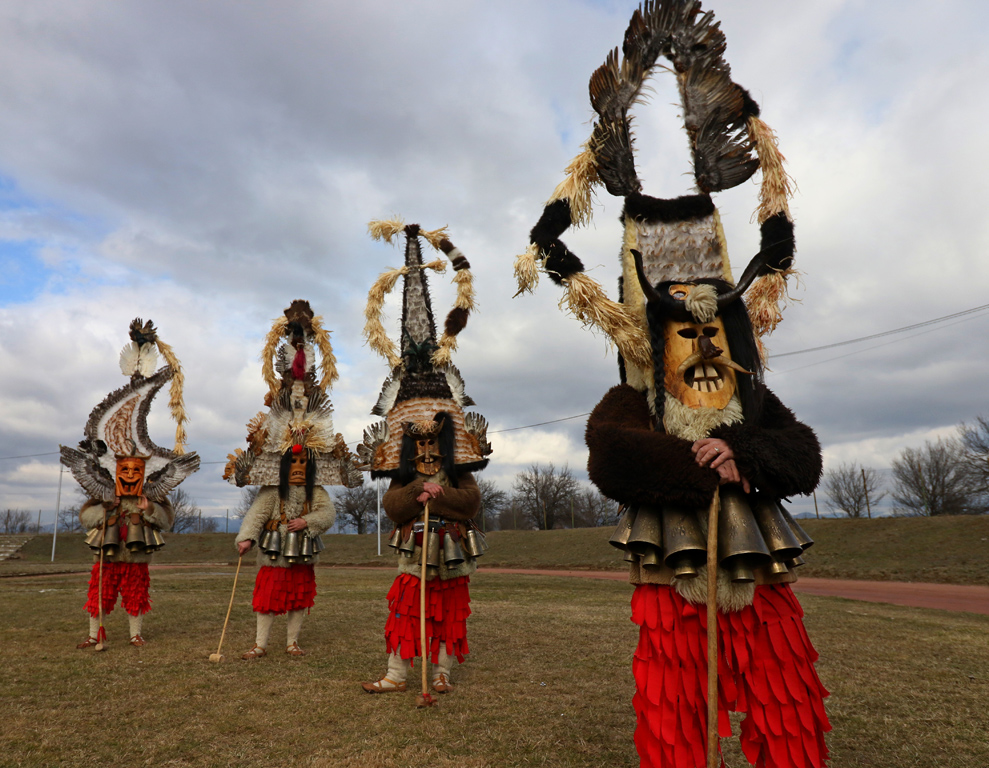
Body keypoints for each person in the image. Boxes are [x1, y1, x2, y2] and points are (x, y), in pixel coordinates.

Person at [517, 2, 830, 764]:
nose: (701, 344)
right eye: (685, 333)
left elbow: (803, 455)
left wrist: (744, 453)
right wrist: (692, 461)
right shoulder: (636, 394)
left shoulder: (750, 395)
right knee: (675, 703)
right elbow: (608, 455)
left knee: (785, 699)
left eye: (712, 332)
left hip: (756, 558)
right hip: (673, 558)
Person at [357, 220, 491, 695]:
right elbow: (393, 508)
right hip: (412, 549)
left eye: (437, 443)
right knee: (405, 606)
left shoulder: (460, 469)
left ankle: (442, 672)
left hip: (452, 547)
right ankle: (396, 673)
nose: (430, 449)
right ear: (413, 445)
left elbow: (470, 504)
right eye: (423, 444)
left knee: (450, 608)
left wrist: (443, 490)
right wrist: (419, 489)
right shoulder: (404, 474)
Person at [223, 299, 362, 660]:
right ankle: (260, 643)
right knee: (268, 598)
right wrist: (246, 538)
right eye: (292, 463)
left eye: (304, 463)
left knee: (300, 598)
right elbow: (257, 512)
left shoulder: (315, 491)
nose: (298, 468)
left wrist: (308, 521)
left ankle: (292, 641)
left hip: (301, 553)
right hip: (272, 553)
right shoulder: (273, 491)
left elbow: (328, 514)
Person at [61, 318, 199, 650]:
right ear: (116, 468)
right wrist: (105, 512)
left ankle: (136, 633)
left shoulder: (152, 492)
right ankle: (95, 634)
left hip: (136, 555)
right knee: (100, 592)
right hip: (106, 553)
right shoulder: (105, 492)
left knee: (136, 592)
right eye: (125, 470)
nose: (130, 476)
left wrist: (148, 509)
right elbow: (86, 518)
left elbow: (166, 521)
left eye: (136, 471)